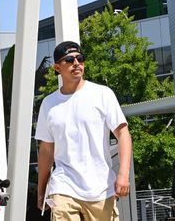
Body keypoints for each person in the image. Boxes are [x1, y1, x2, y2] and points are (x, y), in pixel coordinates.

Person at [35, 41, 132, 221]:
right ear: (57, 67)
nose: (76, 63)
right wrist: (41, 191)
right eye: (69, 60)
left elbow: (123, 134)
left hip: (101, 189)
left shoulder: (102, 94)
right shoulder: (49, 104)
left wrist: (123, 174)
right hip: (63, 186)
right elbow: (46, 150)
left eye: (80, 59)